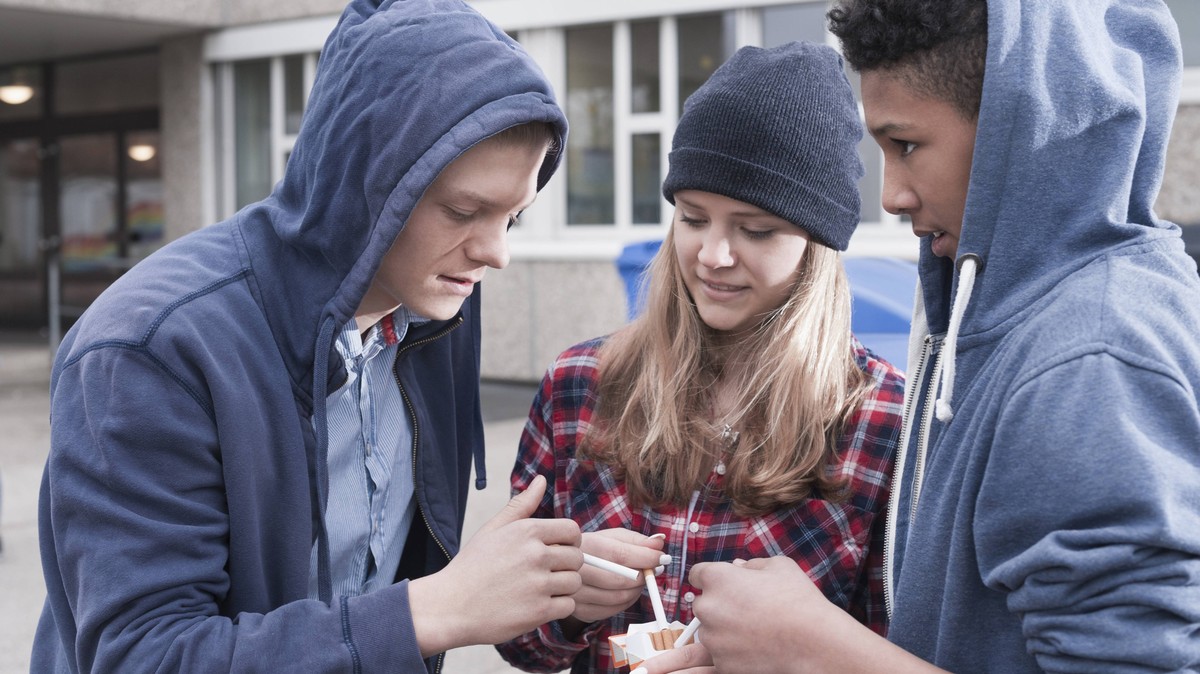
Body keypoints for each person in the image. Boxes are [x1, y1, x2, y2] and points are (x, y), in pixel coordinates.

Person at [639, 0, 1200, 672]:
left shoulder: (1089, 361)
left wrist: (817, 650)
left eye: (905, 145)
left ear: (1012, 127)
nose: (891, 195)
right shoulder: (1014, 313)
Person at [32, 1, 586, 671]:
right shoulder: (150, 349)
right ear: (369, 182)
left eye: (515, 218)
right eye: (465, 211)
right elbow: (144, 656)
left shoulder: (437, 301)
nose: (496, 252)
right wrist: (438, 608)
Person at [495, 41, 906, 674]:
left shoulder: (883, 420)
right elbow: (513, 639)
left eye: (756, 229)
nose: (714, 255)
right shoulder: (579, 386)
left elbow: (894, 647)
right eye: (693, 218)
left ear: (816, 244)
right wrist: (568, 603)